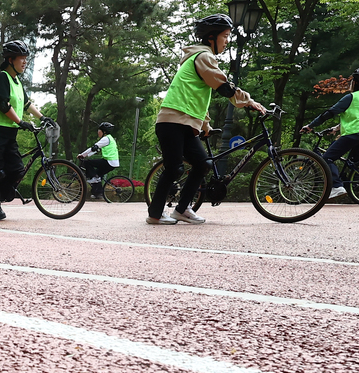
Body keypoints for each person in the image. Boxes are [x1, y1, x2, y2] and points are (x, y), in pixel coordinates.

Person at [148, 14, 267, 225]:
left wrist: (205, 125)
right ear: (211, 37)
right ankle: (155, 214)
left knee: (203, 164)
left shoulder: (200, 58)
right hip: (172, 121)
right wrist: (250, 102)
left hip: (185, 123)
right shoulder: (203, 57)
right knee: (174, 168)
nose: (227, 41)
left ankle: (182, 210)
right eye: (225, 36)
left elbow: (196, 97)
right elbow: (223, 86)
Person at [0, 40, 47, 221]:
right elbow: (4, 105)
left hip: (10, 133)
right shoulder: (2, 78)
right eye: (21, 59)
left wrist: (42, 117)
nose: (25, 62)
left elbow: (26, 104)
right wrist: (20, 122)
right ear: (10, 60)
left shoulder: (16, 82)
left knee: (17, 170)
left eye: (26, 59)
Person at [300, 66, 359, 200]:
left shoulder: (351, 97)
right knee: (354, 161)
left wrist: (311, 126)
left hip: (355, 133)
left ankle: (336, 186)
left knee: (327, 158)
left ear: (354, 82)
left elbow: (330, 113)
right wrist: (337, 128)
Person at [78, 122, 120, 187]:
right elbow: (96, 150)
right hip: (113, 162)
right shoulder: (110, 138)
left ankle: (95, 179)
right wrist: (86, 155)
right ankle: (97, 193)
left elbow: (94, 148)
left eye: (99, 130)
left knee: (87, 163)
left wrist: (82, 155)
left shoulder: (105, 139)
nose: (98, 132)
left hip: (109, 161)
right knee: (97, 175)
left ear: (104, 132)